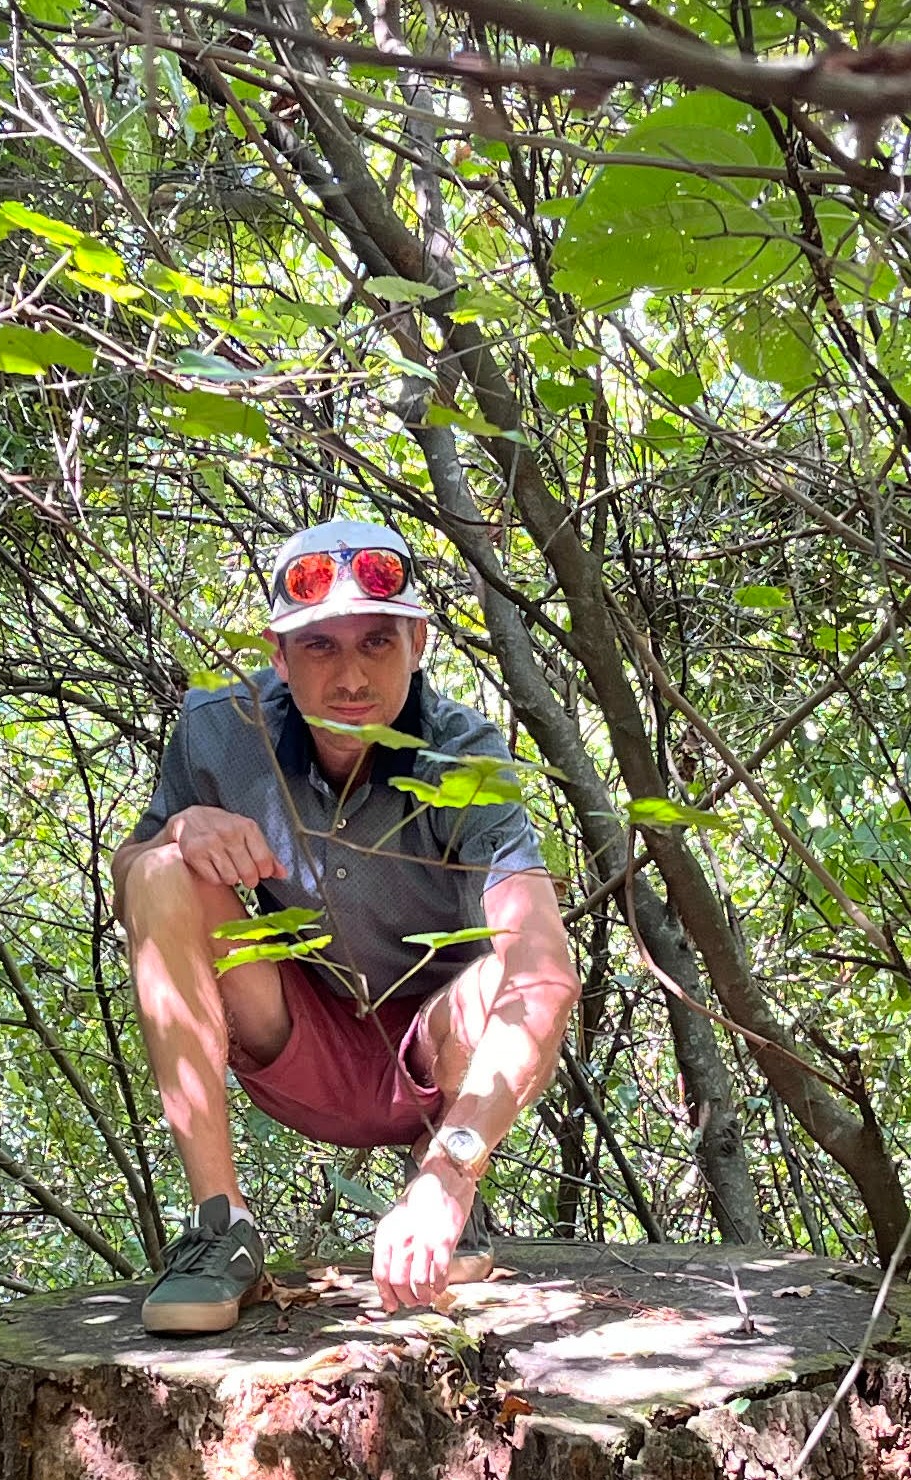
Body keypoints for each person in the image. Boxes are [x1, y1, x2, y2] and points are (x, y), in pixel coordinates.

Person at [115, 517, 581, 1334]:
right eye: (321, 647)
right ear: (279, 655)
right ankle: (219, 1228)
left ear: (419, 642)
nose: (352, 675)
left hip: (438, 1060)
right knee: (160, 869)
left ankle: (441, 1197)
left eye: (376, 642)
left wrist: (453, 1170)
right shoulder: (219, 731)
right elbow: (128, 886)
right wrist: (180, 829)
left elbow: (544, 972)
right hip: (295, 1041)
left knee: (508, 967)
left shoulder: (462, 759)